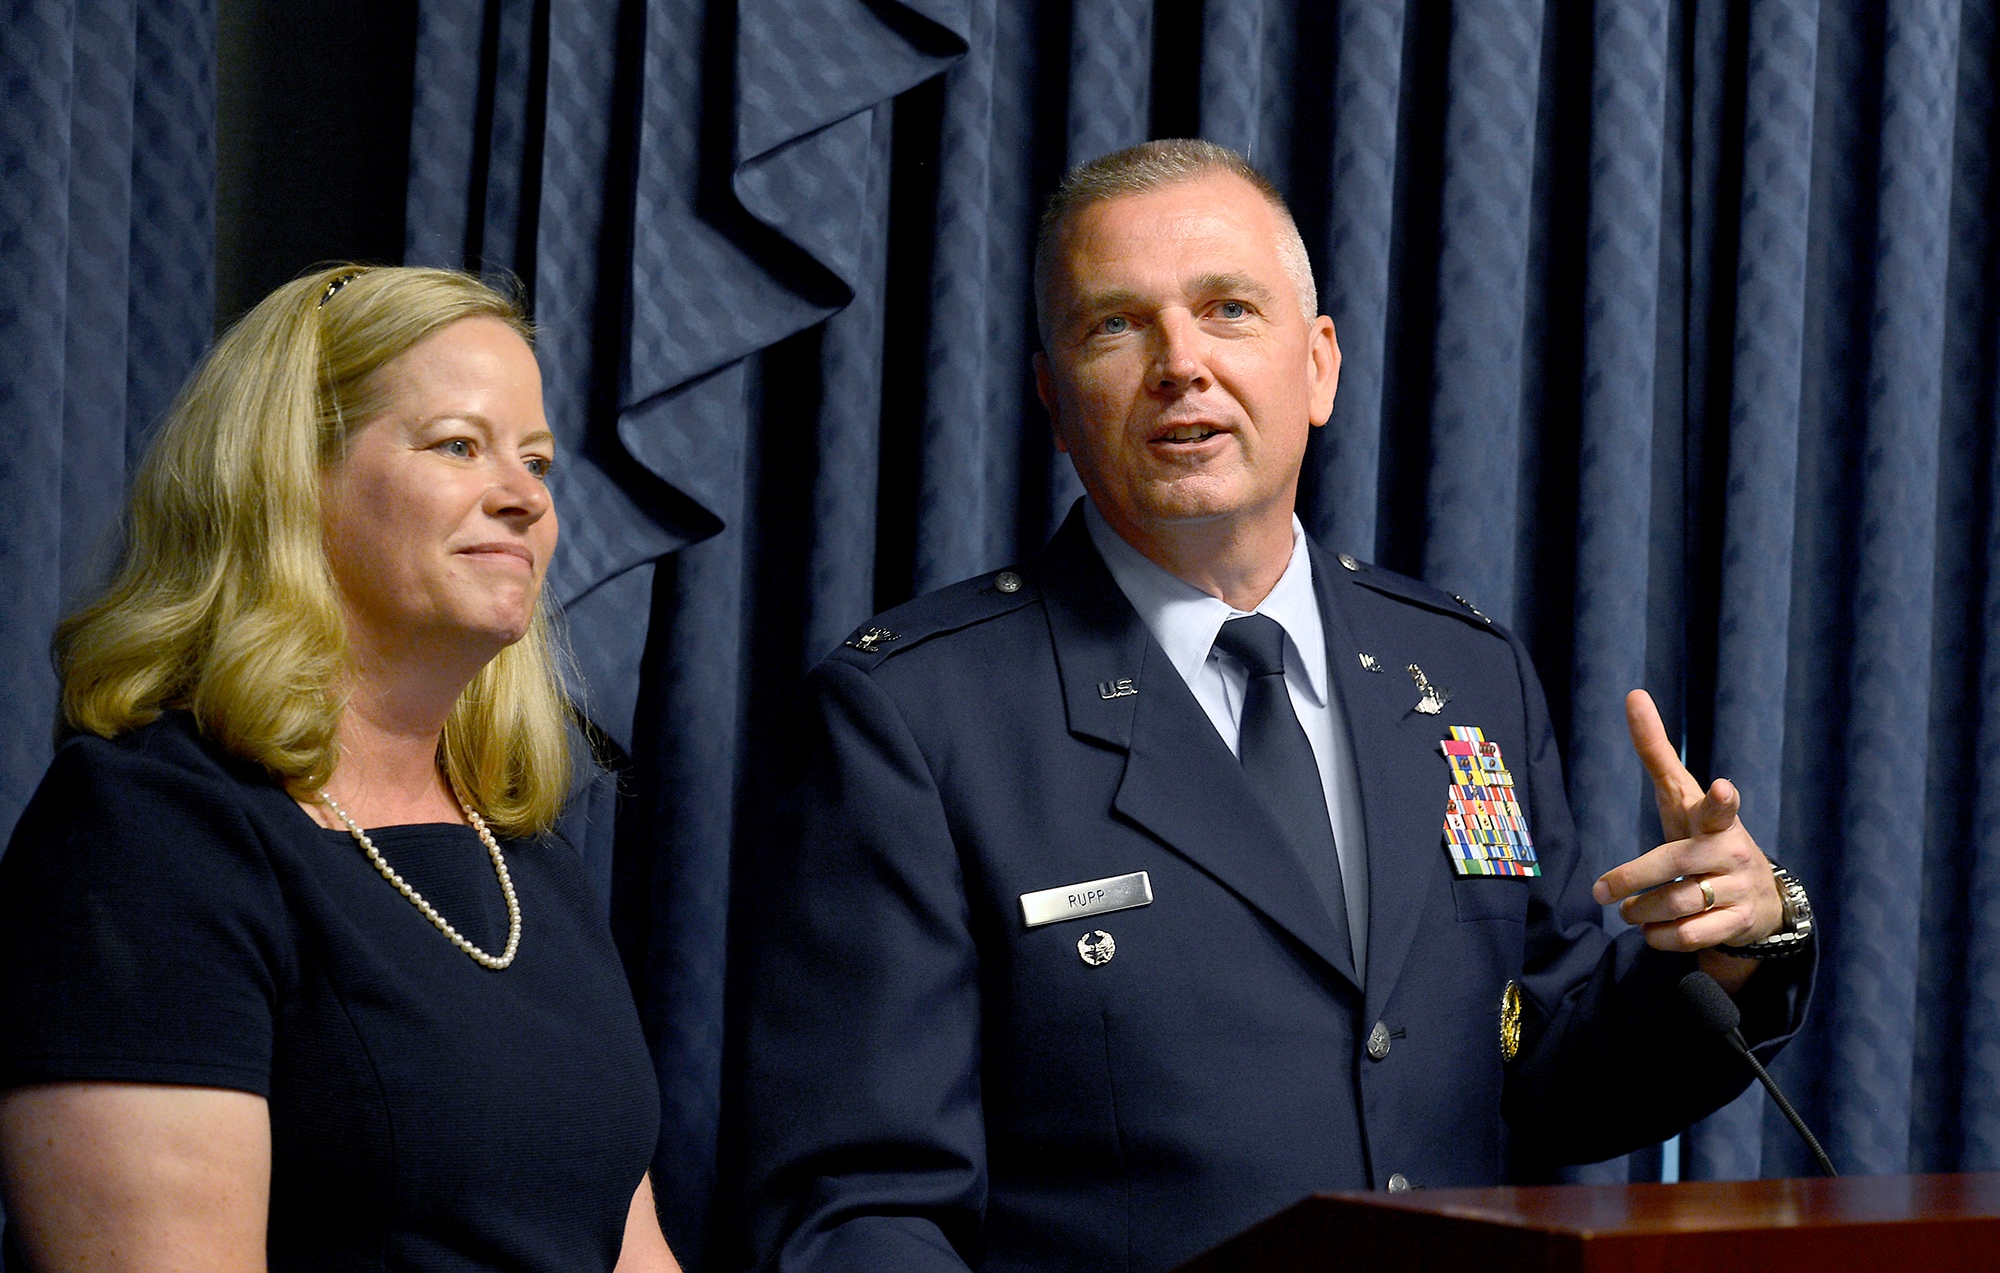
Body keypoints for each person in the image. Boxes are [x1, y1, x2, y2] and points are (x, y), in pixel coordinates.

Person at [728, 141, 1816, 1273]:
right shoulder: (914, 714)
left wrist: (1734, 943)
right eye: (1114, 324)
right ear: (1052, 398)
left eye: (1226, 309)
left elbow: (1538, 1069)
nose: (1178, 364)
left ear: (1318, 366)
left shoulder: (1459, 670)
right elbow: (859, 1207)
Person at [0, 266, 680, 1272]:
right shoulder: (149, 833)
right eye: (460, 444)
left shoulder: (523, 859)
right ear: (289, 476)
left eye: (536, 462)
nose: (523, 498)